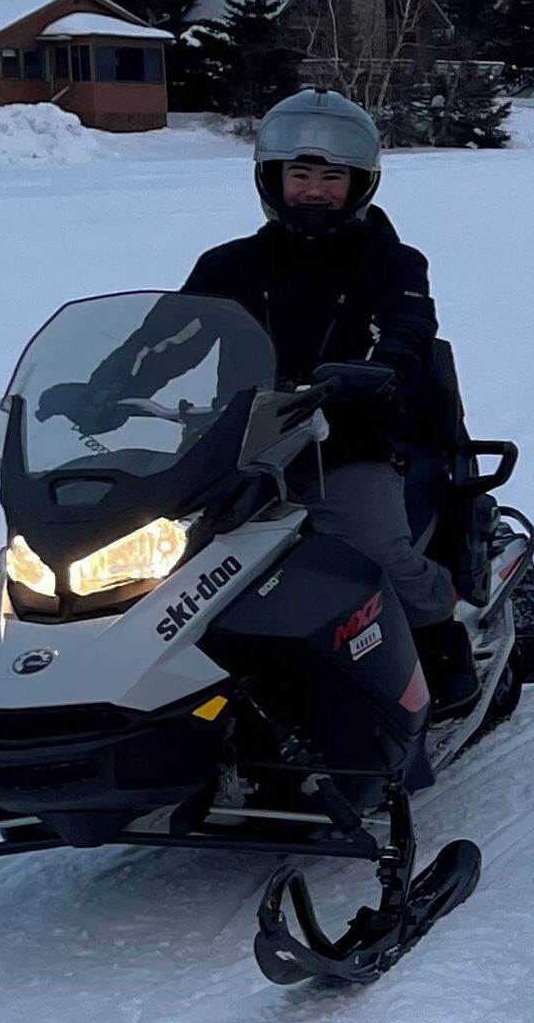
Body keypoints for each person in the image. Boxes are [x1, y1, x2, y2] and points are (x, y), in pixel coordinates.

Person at [180, 90, 477, 713]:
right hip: (240, 445)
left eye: (331, 177)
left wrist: (385, 368)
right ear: (272, 178)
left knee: (376, 550)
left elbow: (409, 329)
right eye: (301, 174)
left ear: (358, 183)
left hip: (346, 441)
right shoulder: (227, 265)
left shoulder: (392, 263)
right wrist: (103, 382)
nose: (314, 190)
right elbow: (172, 337)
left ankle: (441, 640)